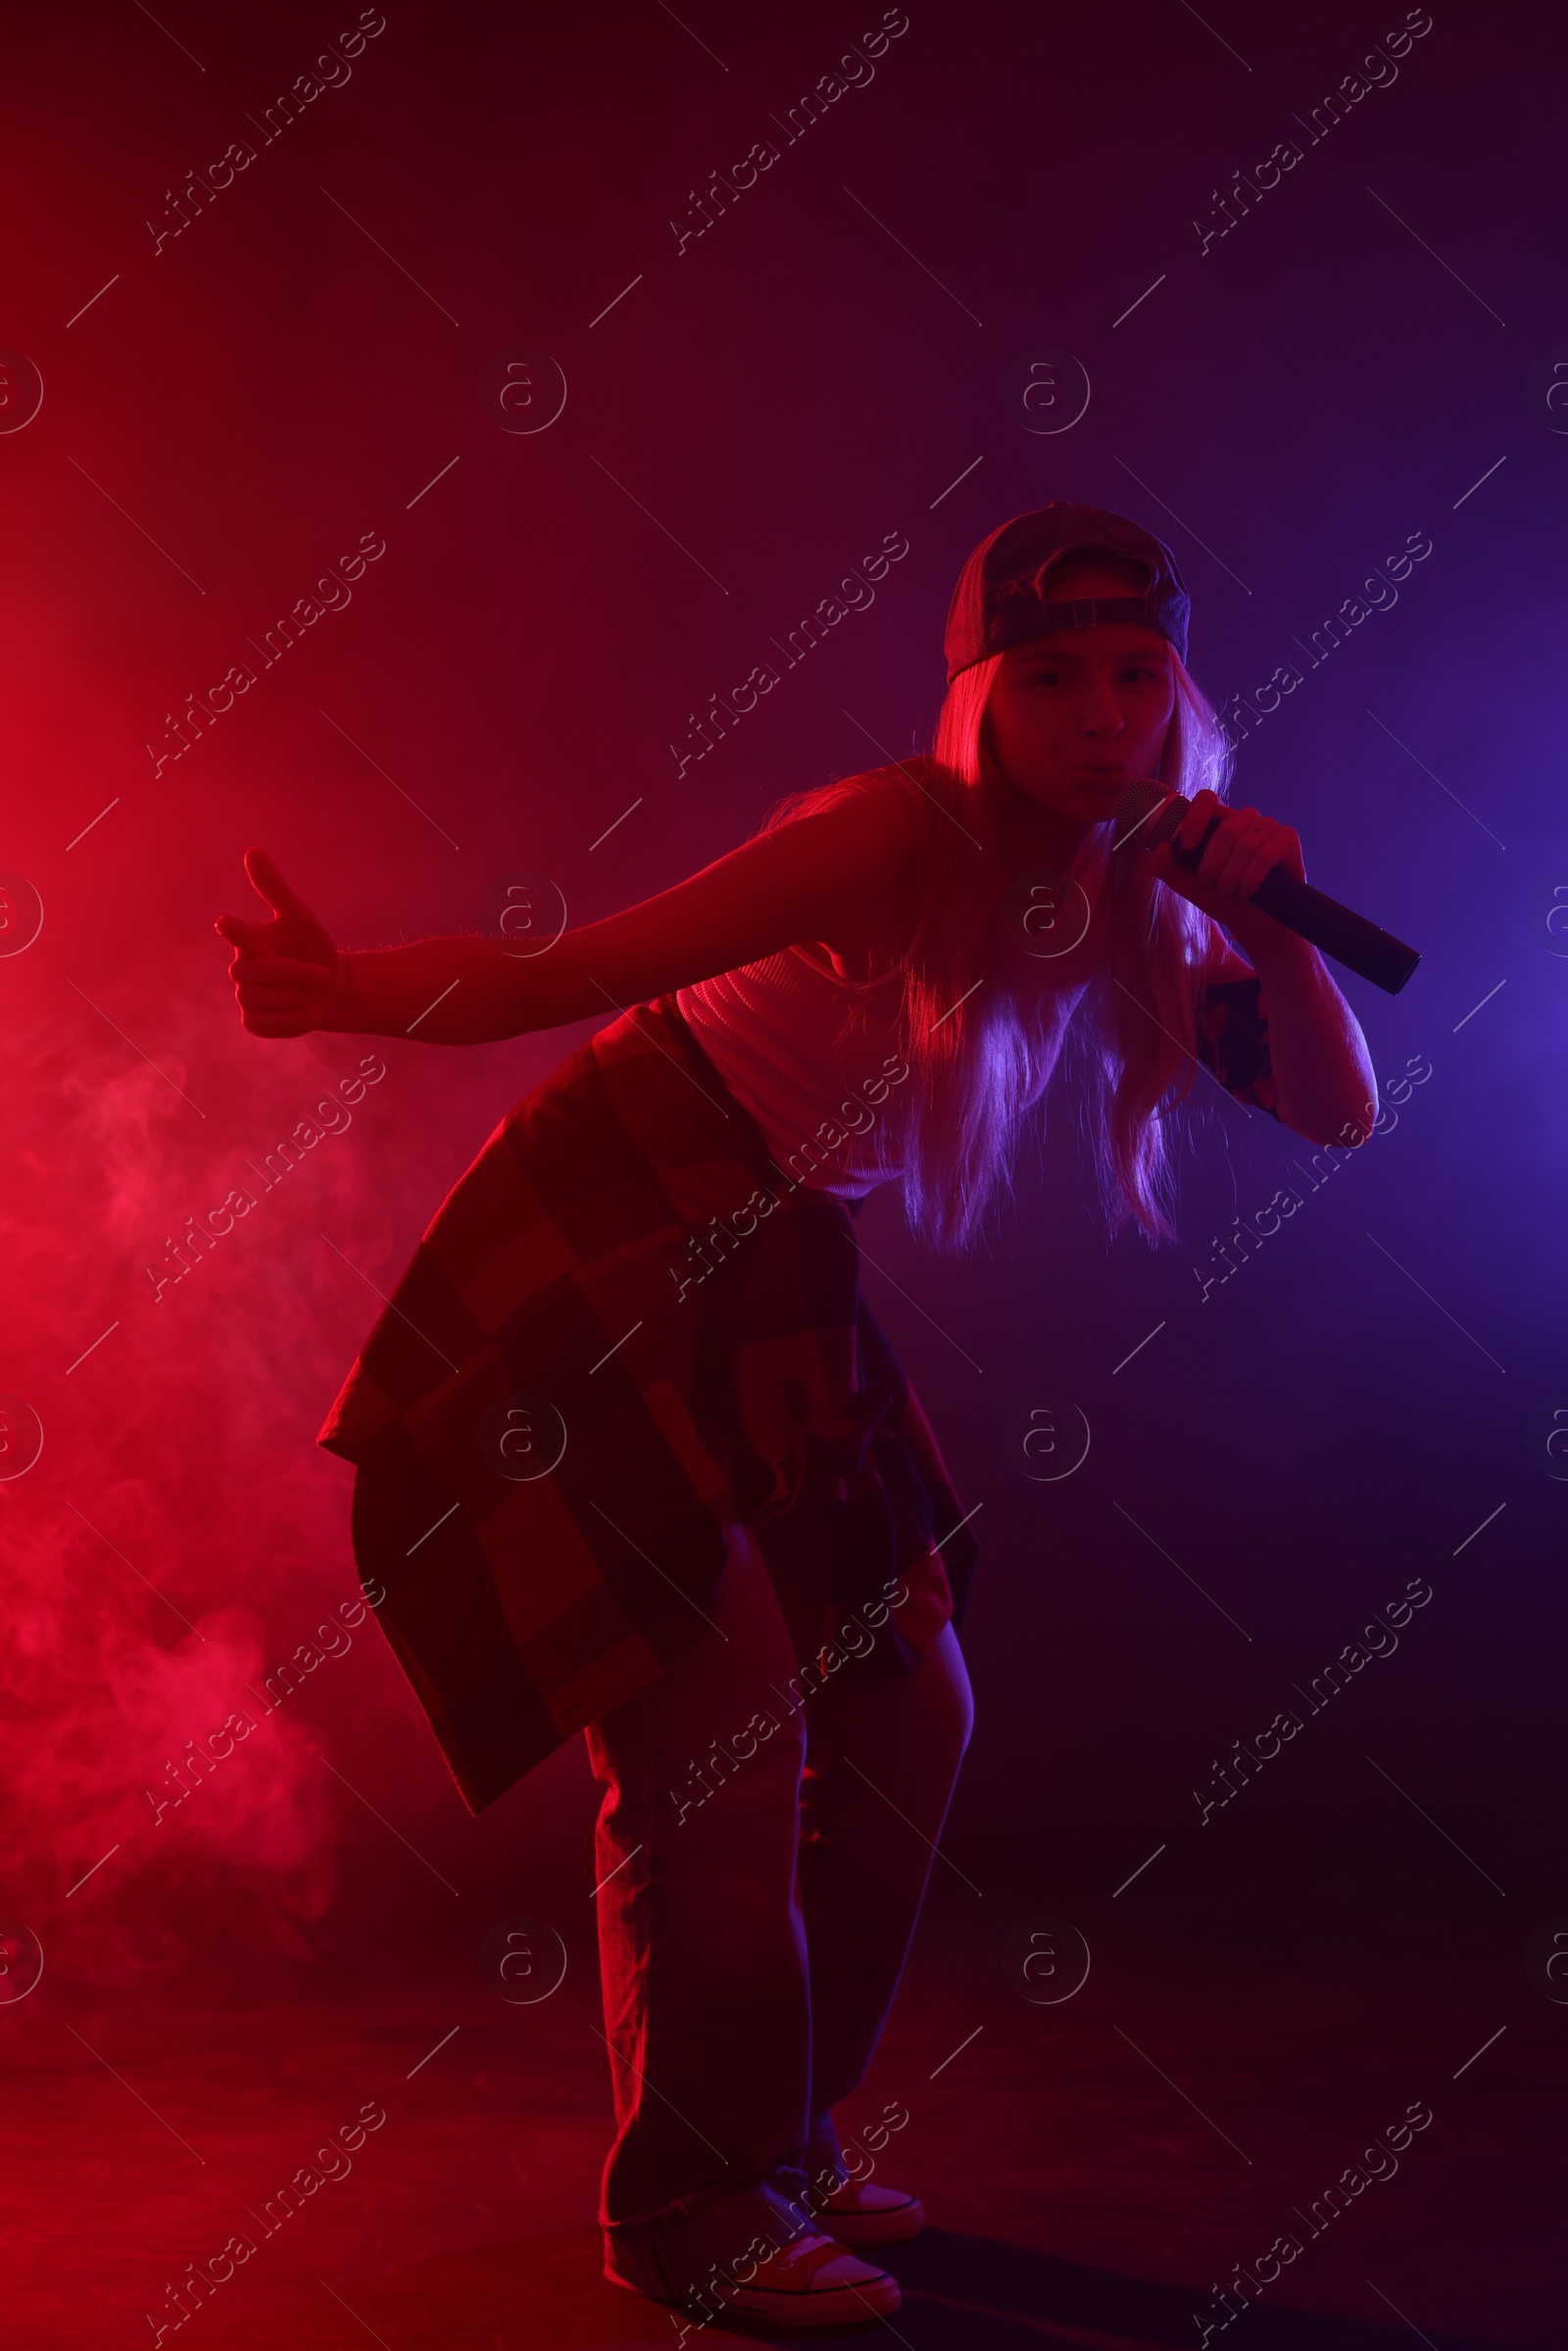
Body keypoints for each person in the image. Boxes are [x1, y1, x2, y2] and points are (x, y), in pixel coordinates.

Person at [216, 502, 1377, 2331]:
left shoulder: (1144, 882)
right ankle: (691, 2208)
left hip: (772, 1267)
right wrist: (339, 988)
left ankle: (782, 2134)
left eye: (1138, 678)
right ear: (981, 701)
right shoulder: (885, 839)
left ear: (1180, 698)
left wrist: (1275, 936)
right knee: (721, 1748)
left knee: (914, 1704)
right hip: (610, 1231)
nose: (1101, 716)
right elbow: (580, 969)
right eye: (1054, 677)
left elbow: (1336, 1116)